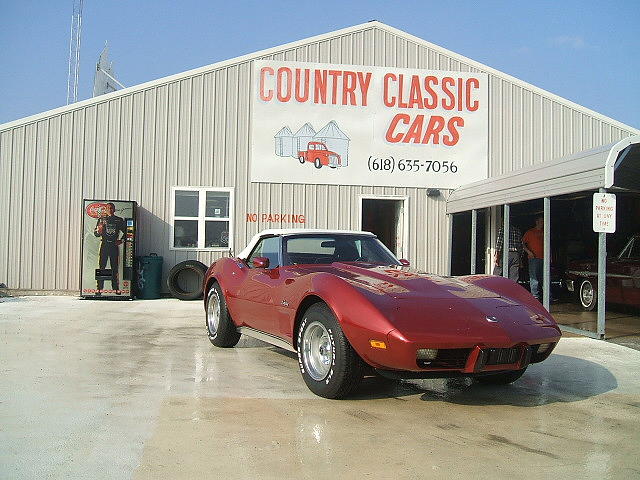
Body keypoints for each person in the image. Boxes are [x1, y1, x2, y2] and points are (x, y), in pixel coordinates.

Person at [94, 203, 126, 294]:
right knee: (102, 267)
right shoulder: (101, 219)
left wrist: (121, 241)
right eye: (108, 208)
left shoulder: (119, 220)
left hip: (113, 246)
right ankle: (99, 289)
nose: (110, 210)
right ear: (105, 209)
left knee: (114, 267)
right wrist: (98, 231)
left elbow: (127, 232)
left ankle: (115, 288)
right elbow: (95, 234)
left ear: (114, 209)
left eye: (111, 208)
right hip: (104, 245)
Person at [523, 215, 544, 301]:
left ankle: (547, 296)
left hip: (544, 258)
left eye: (543, 221)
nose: (542, 223)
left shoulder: (544, 232)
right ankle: (535, 297)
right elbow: (522, 243)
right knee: (534, 278)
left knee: (544, 277)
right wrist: (529, 252)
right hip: (533, 258)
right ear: (537, 222)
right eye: (541, 221)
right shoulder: (530, 232)